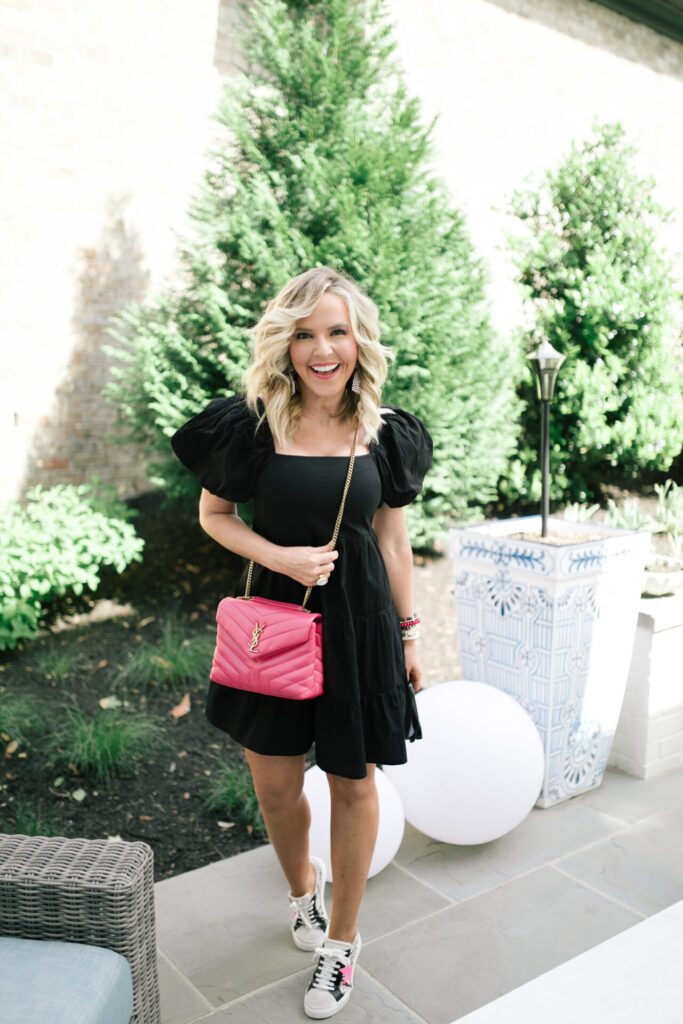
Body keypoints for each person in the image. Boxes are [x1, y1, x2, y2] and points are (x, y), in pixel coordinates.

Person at [171, 266, 432, 1019]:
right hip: (273, 624)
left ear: (359, 341)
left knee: (354, 783)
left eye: (337, 332)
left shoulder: (387, 432)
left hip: (360, 628)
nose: (323, 350)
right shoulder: (253, 425)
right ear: (285, 344)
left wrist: (410, 635)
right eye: (306, 334)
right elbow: (214, 515)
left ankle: (342, 947)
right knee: (278, 786)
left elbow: (392, 542)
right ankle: (301, 897)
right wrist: (278, 556)